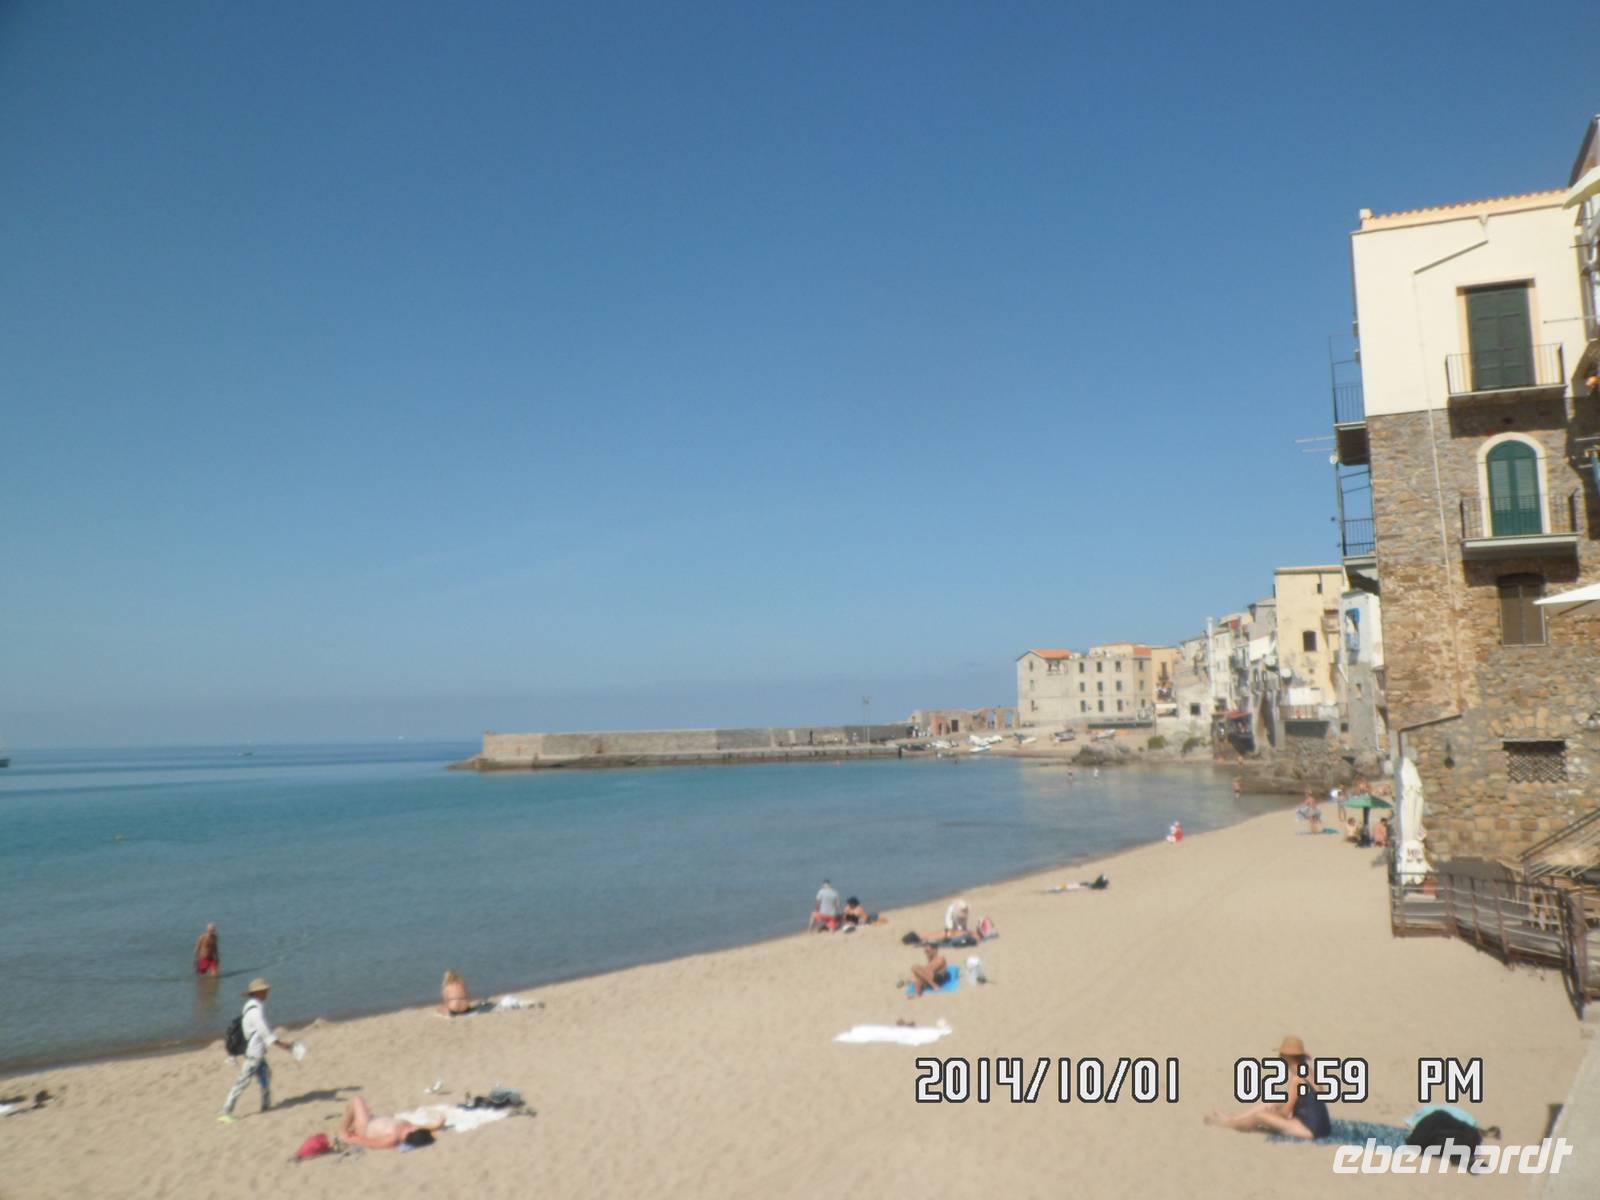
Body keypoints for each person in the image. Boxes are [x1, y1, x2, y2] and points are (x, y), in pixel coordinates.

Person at [1204, 1035, 1332, 1140]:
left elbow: (1284, 1113)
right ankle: (1233, 1118)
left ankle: (1229, 1124)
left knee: (1261, 1116)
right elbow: (1315, 1102)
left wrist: (1273, 1112)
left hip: (1309, 1130)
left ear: (1287, 1057)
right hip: (1323, 1127)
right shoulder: (1311, 1072)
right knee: (1270, 1103)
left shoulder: (1297, 1078)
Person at [219, 978, 295, 1122]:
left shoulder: (250, 1006)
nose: (267, 993)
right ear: (257, 993)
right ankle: (226, 1111)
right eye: (264, 991)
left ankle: (266, 1104)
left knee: (265, 1074)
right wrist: (282, 1045)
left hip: (255, 1051)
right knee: (243, 1081)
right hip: (254, 1052)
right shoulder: (255, 1011)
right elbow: (265, 1032)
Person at [338, 1095, 446, 1150]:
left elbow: (372, 1143)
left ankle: (342, 1129)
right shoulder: (409, 1127)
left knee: (357, 1100)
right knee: (353, 1108)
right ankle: (349, 1120)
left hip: (365, 1129)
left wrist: (351, 1138)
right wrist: (437, 1125)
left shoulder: (393, 1138)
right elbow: (424, 1128)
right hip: (371, 1121)